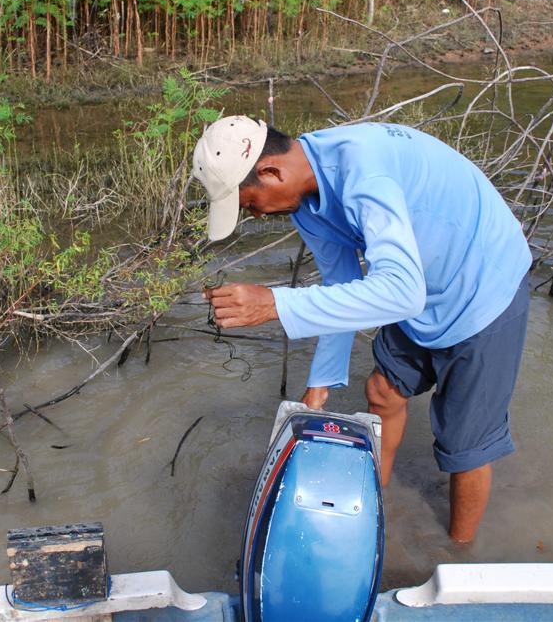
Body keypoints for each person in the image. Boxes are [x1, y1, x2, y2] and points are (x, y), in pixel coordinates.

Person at [193, 115, 531, 543]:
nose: (254, 216)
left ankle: (457, 556)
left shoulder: (361, 171)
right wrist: (319, 386)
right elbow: (342, 287)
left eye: (249, 204)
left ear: (271, 172)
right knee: (382, 392)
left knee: (464, 446)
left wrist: (275, 302)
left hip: (484, 284)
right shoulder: (306, 195)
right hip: (421, 277)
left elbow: (402, 293)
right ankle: (375, 508)